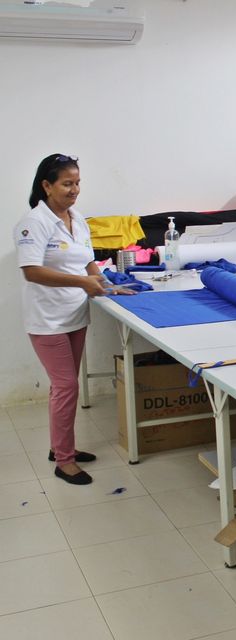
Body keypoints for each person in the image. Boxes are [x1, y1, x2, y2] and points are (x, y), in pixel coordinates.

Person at [14, 154, 132, 485]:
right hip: (47, 320)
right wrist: (83, 283)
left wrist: (108, 286)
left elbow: (87, 262)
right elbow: (32, 271)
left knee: (65, 387)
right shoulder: (33, 223)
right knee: (66, 387)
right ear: (47, 186)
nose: (75, 189)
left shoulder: (77, 219)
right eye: (67, 183)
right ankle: (64, 461)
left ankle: (60, 447)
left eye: (78, 182)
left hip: (74, 315)